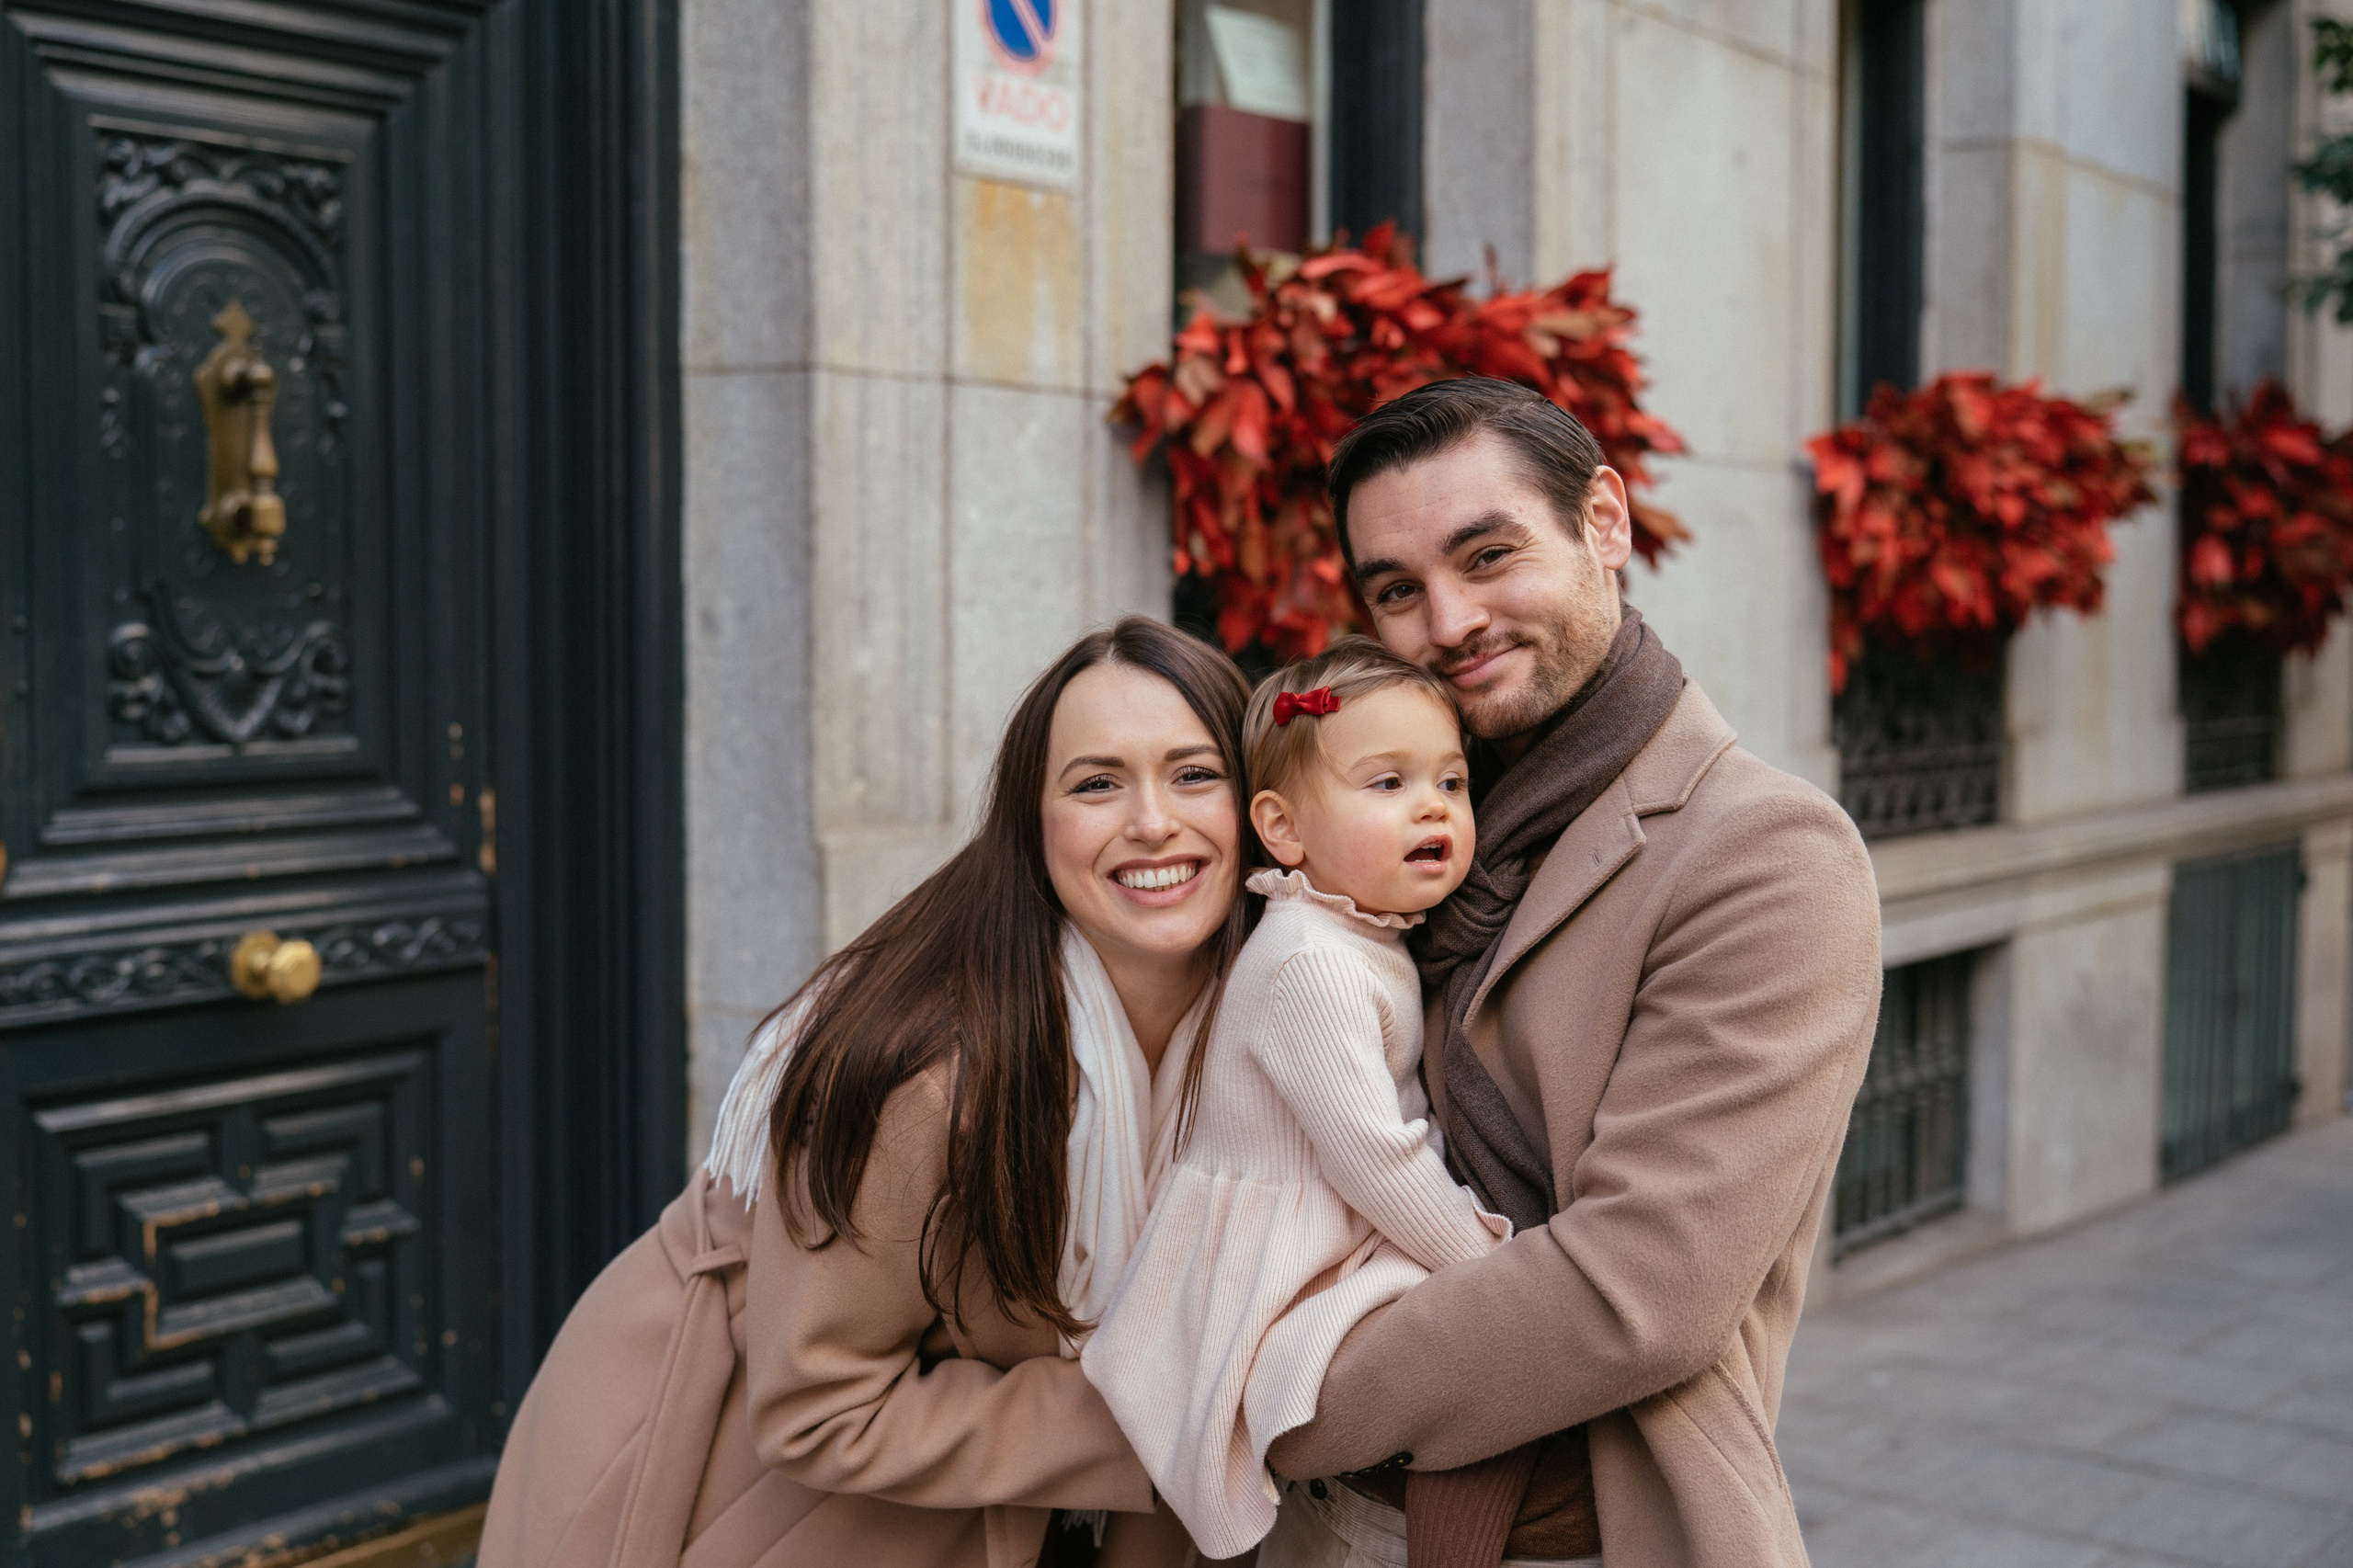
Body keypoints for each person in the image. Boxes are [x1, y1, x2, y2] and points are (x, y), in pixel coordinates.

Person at [1259, 378, 1883, 1568]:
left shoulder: (1764, 851)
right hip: (1316, 1524)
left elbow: (1637, 1289)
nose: (1448, 622)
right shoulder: (1401, 805)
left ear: (1605, 522)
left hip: (1572, 1525)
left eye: (1487, 555)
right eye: (1398, 590)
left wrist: (1266, 1394)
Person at [478, 616, 1252, 1568]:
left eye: (1194, 773)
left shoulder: (1267, 1028)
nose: (1151, 821)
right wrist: (1173, 1408)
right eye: (1096, 782)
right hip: (717, 1464)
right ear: (1030, 823)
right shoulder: (928, 1072)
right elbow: (818, 1404)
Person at [1084, 639, 1543, 1567]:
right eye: (1387, 783)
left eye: (1450, 782)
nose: (1432, 805)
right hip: (1262, 1252)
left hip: (1304, 1226)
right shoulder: (1309, 963)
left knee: (1176, 1484)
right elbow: (1376, 1153)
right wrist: (1480, 1257)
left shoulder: (1353, 935)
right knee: (1173, 1486)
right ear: (1283, 829)